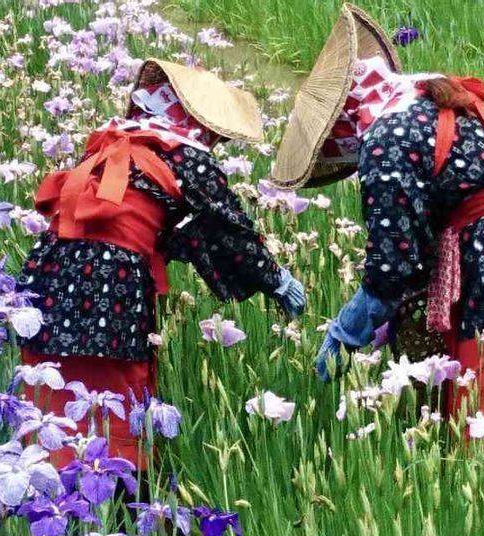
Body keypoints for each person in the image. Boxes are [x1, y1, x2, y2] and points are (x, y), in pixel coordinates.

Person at [272, 3, 484, 470]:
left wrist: (352, 326)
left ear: (343, 125)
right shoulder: (434, 98)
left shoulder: (386, 139)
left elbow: (394, 261)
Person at [18, 59, 305, 464]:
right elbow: (229, 229)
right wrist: (275, 278)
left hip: (50, 271)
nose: (215, 142)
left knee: (56, 382)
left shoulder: (116, 139)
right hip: (110, 283)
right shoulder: (187, 156)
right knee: (114, 387)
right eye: (215, 133)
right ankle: (114, 482)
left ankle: (48, 476)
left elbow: (147, 223)